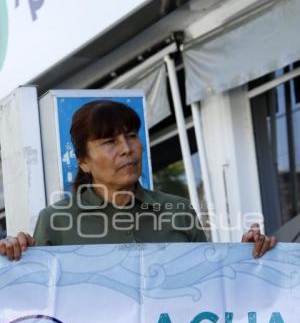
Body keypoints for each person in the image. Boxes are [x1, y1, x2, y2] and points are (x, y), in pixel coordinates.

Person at [0, 100, 276, 260]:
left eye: (131, 136)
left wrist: (246, 259)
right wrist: (15, 257)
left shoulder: (179, 210)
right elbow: (41, 305)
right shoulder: (56, 220)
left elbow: (209, 284)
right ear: (84, 162)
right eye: (110, 141)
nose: (127, 149)